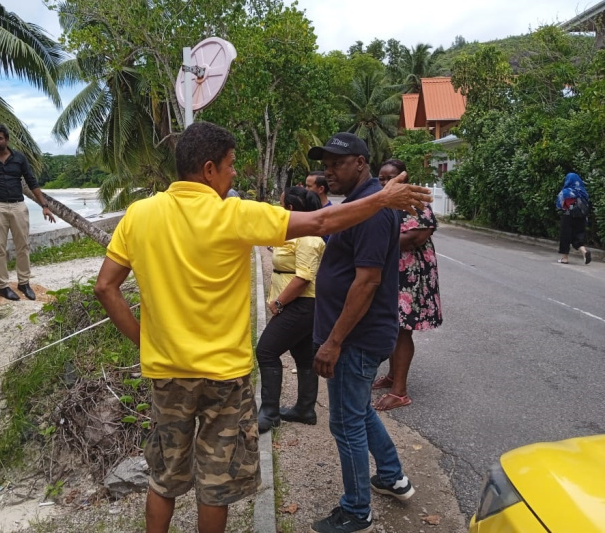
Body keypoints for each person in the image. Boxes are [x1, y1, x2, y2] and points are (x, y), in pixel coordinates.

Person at [93, 122, 431, 533]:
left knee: (164, 480)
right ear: (208, 169)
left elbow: (106, 287)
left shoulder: (139, 214)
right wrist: (383, 199)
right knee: (215, 488)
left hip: (167, 374)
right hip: (224, 378)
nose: (235, 174)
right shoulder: (235, 214)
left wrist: (145, 340)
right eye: (231, 165)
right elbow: (322, 223)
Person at [308, 133, 415, 533]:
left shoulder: (373, 210)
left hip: (354, 337)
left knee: (345, 423)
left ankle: (357, 510)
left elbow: (367, 281)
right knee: (358, 412)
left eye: (338, 163)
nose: (329, 171)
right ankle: (391, 476)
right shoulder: (359, 203)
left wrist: (334, 342)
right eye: (327, 163)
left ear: (361, 162)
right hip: (350, 334)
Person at [373, 159, 443, 412]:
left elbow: (415, 237)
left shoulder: (416, 202)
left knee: (403, 330)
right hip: (391, 273)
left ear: (404, 177)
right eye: (381, 178)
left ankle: (400, 392)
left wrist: (377, 238)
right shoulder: (382, 203)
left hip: (411, 276)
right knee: (392, 326)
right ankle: (392, 376)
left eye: (390, 177)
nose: (385, 182)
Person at [255, 186, 325, 433]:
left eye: (283, 205)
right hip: (302, 303)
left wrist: (278, 302)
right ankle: (305, 409)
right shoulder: (297, 234)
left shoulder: (308, 237)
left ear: (292, 210)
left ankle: (270, 413)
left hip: (302, 303)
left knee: (266, 351)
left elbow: (304, 277)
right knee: (304, 355)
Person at [0, 124, 56, 301]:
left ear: (6, 140)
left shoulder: (19, 158)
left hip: (18, 206)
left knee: (23, 245)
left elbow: (32, 182)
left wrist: (44, 205)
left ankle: (24, 282)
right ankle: (3, 286)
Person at [556, 172, 591, 265]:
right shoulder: (583, 192)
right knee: (577, 236)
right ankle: (584, 252)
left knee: (565, 237)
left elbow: (560, 205)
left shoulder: (566, 192)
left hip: (568, 216)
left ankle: (564, 258)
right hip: (581, 218)